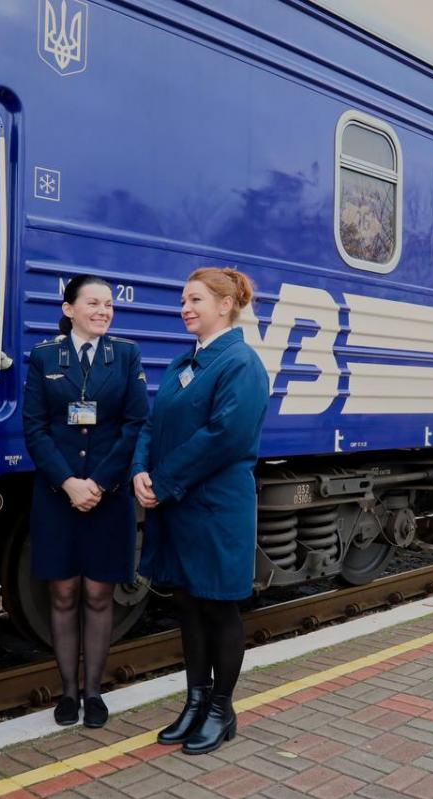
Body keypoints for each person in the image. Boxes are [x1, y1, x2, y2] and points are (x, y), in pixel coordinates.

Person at [131, 267, 269, 756]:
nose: (184, 307)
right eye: (183, 299)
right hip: (180, 502)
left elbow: (224, 437)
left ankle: (221, 709)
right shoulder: (181, 363)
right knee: (188, 603)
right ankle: (194, 700)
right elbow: (153, 423)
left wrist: (163, 482)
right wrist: (140, 471)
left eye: (194, 300)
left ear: (225, 304)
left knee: (219, 605)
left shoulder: (242, 364)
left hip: (215, 507)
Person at [23, 274, 148, 728]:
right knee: (62, 592)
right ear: (69, 308)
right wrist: (68, 483)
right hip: (57, 496)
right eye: (93, 302)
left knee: (99, 593)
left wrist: (96, 482)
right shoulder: (43, 357)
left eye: (109, 304)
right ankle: (67, 693)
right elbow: (34, 427)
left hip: (107, 495)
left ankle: (94, 693)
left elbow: (135, 424)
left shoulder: (126, 355)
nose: (103, 310)